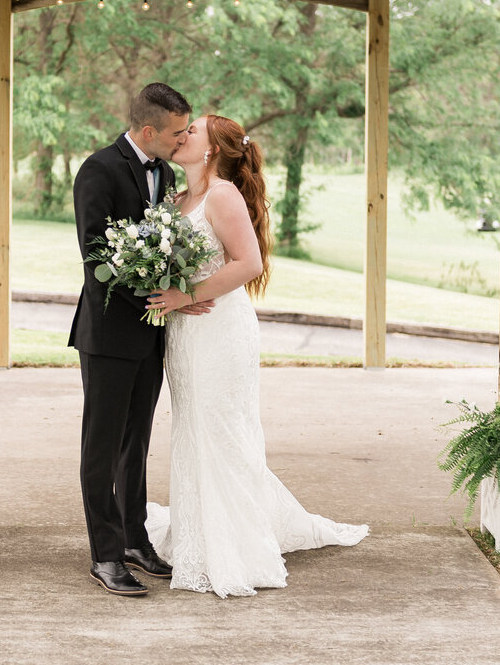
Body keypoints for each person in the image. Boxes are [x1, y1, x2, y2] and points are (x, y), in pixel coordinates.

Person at [146, 114, 368, 598]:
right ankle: (197, 531)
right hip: (185, 335)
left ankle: (234, 544)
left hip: (220, 330)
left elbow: (250, 263)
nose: (182, 137)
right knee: (194, 427)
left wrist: (184, 295)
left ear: (211, 150)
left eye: (193, 132)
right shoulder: (176, 199)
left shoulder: (222, 194)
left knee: (222, 430)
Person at [69, 82, 213, 597]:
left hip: (153, 337)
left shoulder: (166, 172)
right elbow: (96, 261)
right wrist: (162, 297)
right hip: (109, 334)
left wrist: (176, 293)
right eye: (176, 133)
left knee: (137, 444)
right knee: (101, 449)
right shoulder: (98, 170)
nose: (181, 140)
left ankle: (134, 539)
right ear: (148, 130)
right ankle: (105, 555)